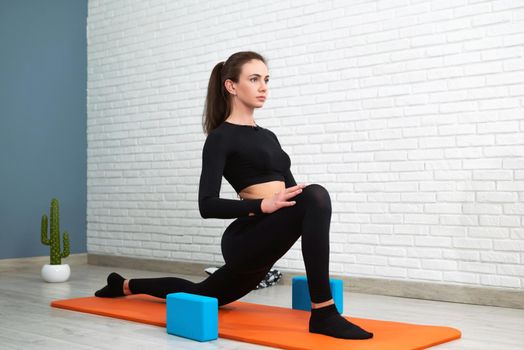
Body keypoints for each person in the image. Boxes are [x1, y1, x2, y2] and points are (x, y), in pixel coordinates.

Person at [95, 51, 373, 340]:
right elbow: (207, 205)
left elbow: (290, 194)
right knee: (317, 195)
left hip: (268, 236)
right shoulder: (220, 138)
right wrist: (262, 205)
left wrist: (294, 203)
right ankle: (323, 313)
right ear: (231, 86)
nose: (263, 86)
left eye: (266, 79)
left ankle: (124, 285)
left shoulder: (269, 136)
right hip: (244, 240)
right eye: (254, 79)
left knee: (202, 292)